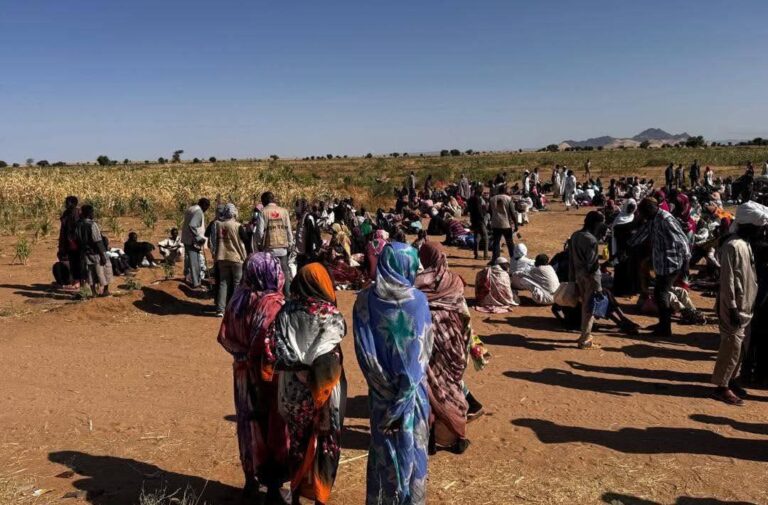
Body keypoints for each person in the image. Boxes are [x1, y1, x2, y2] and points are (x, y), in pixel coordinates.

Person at [353, 243, 432, 505]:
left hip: (379, 397)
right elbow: (419, 356)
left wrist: (385, 390)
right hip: (412, 399)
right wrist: (402, 398)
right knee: (413, 458)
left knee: (382, 456)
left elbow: (365, 353)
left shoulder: (363, 300)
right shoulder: (417, 302)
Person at [217, 253, 289, 502]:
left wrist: (241, 356)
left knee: (248, 425)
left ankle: (250, 480)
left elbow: (224, 336)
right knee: (272, 426)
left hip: (241, 374)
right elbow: (270, 344)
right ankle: (273, 486)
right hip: (266, 376)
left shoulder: (237, 298)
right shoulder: (271, 304)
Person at [275, 263, 346, 505]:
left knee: (297, 442)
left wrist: (300, 369)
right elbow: (330, 356)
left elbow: (278, 351)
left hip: (294, 392)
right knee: (326, 445)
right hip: (325, 393)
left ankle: (295, 494)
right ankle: (320, 497)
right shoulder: (332, 315)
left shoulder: (285, 312)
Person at [414, 243, 472, 455]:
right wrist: (466, 340)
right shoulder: (455, 280)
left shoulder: (417, 282)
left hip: (427, 340)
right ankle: (457, 436)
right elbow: (463, 312)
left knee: (431, 386)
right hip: (452, 339)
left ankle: (429, 436)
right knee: (452, 386)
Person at [711, 203, 763, 405]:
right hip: (733, 306)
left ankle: (731, 380)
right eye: (758, 226)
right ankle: (721, 387)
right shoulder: (733, 246)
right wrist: (732, 307)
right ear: (748, 225)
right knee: (731, 346)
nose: (761, 230)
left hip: (746, 305)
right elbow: (728, 280)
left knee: (742, 347)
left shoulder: (746, 243)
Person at [630, 197, 691, 338]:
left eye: (644, 213)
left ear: (650, 210)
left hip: (671, 263)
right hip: (661, 263)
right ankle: (663, 324)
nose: (643, 216)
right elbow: (644, 232)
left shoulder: (666, 220)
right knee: (659, 293)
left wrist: (686, 263)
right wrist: (630, 245)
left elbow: (682, 240)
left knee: (660, 294)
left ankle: (665, 328)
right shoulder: (653, 219)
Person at [568, 211, 605, 349]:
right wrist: (598, 285)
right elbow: (593, 265)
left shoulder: (575, 235)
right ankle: (585, 338)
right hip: (590, 277)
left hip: (578, 275)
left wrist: (572, 278)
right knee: (590, 309)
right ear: (596, 224)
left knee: (585, 306)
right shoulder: (591, 240)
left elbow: (571, 259)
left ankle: (584, 335)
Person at [254, 192, 294, 295]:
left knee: (270, 273)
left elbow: (259, 232)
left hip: (269, 248)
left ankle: (274, 295)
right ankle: (287, 295)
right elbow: (288, 229)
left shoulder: (263, 212)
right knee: (284, 271)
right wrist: (290, 243)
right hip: (283, 247)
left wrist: (258, 244)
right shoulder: (284, 211)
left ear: (263, 201)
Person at [212, 203, 248, 317]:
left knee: (223, 282)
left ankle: (220, 309)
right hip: (236, 257)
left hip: (222, 257)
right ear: (234, 213)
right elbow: (246, 240)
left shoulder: (219, 225)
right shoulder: (238, 226)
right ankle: (235, 308)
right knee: (237, 283)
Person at [75, 204, 110, 297]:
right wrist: (102, 255)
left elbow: (77, 239)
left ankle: (93, 292)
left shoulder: (78, 224)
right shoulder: (92, 225)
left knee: (90, 272)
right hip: (96, 252)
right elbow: (97, 240)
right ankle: (105, 291)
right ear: (90, 213)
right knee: (103, 271)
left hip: (85, 253)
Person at [181, 198, 211, 289]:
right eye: (207, 207)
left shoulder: (191, 209)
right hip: (192, 240)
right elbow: (192, 225)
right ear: (204, 205)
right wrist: (198, 238)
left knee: (189, 260)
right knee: (195, 262)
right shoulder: (198, 212)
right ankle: (196, 283)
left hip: (186, 239)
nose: (206, 210)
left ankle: (188, 277)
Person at [58, 196, 82, 290]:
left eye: (67, 202)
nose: (66, 204)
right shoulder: (66, 213)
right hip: (68, 243)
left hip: (76, 243)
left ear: (73, 203)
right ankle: (75, 281)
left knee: (78, 262)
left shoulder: (77, 213)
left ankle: (78, 282)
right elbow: (63, 229)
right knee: (72, 262)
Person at [489, 185, 518, 262]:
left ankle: (495, 260)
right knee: (510, 243)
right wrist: (516, 224)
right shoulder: (508, 199)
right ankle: (513, 259)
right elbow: (512, 213)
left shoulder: (492, 199)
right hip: (506, 224)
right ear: (505, 190)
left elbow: (490, 211)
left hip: (495, 224)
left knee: (496, 243)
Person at [295, 199, 322, 268]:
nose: (295, 208)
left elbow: (313, 235)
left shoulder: (308, 218)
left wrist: (310, 252)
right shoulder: (301, 218)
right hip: (301, 253)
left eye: (297, 206)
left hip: (307, 254)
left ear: (302, 207)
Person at [467, 185, 488, 260]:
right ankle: (485, 255)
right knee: (485, 237)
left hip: (473, 220)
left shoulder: (471, 198)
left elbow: (469, 209)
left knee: (477, 237)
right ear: (480, 192)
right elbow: (479, 211)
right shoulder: (478, 199)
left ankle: (476, 254)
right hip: (479, 220)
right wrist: (482, 218)